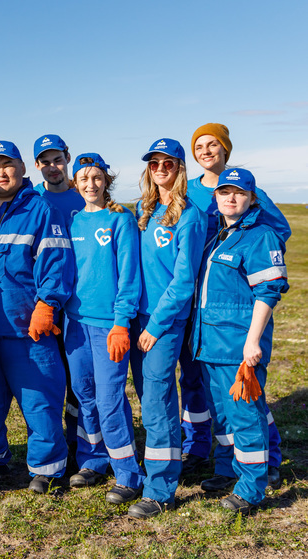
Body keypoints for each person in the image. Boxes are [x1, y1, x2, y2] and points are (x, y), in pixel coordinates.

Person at [0, 140, 74, 494]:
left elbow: (56, 264)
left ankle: (47, 468)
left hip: (30, 331)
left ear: (23, 168)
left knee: (40, 400)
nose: (1, 172)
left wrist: (48, 305)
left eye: (8, 165)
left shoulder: (41, 211)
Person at [183, 123, 289, 490]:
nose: (230, 198)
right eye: (224, 193)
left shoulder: (258, 233)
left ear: (252, 198)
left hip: (238, 341)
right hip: (209, 340)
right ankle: (228, 470)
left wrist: (253, 340)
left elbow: (269, 284)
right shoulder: (217, 236)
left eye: (238, 194)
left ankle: (254, 483)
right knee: (223, 413)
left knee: (245, 412)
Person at [127, 139, 207, 519]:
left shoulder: (189, 215)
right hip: (138, 318)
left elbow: (183, 280)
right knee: (151, 401)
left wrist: (156, 325)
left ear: (179, 168)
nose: (161, 168)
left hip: (164, 322)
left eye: (168, 163)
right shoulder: (144, 210)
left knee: (158, 402)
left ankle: (160, 489)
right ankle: (159, 468)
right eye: (154, 163)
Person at [63, 153, 145, 504]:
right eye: (84, 178)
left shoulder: (120, 219)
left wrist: (121, 322)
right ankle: (94, 460)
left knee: (110, 399)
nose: (90, 184)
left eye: (97, 177)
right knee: (84, 395)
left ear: (106, 181)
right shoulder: (73, 220)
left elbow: (129, 276)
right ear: (76, 183)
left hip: (109, 326)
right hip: (74, 324)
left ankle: (128, 474)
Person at [33, 133, 85, 472]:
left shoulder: (83, 197)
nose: (53, 167)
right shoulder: (31, 200)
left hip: (81, 303)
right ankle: (58, 443)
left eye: (58, 159)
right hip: (47, 306)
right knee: (52, 377)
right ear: (36, 165)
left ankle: (83, 441)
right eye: (45, 161)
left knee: (81, 380)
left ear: (67, 157)